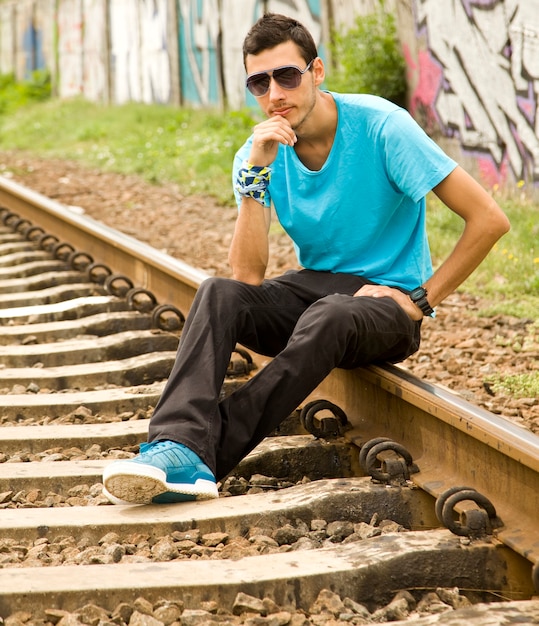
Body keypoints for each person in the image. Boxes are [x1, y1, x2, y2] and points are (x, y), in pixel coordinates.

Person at [102, 12, 510, 505]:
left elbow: (489, 219)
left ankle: (205, 455)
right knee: (219, 293)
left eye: (287, 75)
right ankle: (174, 443)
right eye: (259, 82)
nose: (275, 93)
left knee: (330, 313)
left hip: (384, 303)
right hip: (318, 288)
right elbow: (248, 276)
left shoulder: (383, 128)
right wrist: (256, 173)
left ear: (316, 73)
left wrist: (419, 301)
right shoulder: (258, 154)